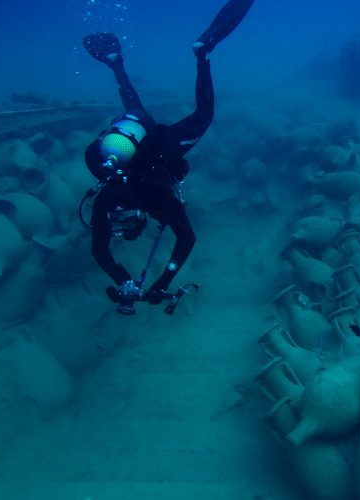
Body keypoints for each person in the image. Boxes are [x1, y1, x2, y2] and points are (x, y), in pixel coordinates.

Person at [81, 0, 254, 314]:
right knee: (134, 107)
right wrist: (142, 280)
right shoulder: (107, 192)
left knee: (204, 114)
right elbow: (101, 249)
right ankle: (115, 62)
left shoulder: (139, 199)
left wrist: (149, 282)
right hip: (139, 141)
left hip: (160, 149)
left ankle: (203, 53)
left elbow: (186, 241)